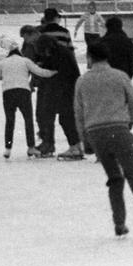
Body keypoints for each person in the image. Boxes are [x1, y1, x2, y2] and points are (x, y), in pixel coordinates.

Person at [75, 39, 133, 241]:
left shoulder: (82, 81)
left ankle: (119, 224)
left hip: (96, 133)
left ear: (89, 58)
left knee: (114, 179)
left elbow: (79, 113)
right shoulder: (120, 76)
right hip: (119, 130)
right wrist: (129, 123)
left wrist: (85, 140)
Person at [0, 31, 52, 159]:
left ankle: (8, 148)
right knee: (28, 120)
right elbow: (39, 72)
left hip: (8, 92)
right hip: (23, 92)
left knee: (10, 121)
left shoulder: (3, 63)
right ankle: (31, 147)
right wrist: (53, 72)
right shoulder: (25, 61)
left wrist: (4, 76)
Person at [33, 15, 83, 159]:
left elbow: (58, 73)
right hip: (67, 87)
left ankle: (75, 147)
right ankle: (72, 146)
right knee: (60, 117)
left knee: (65, 118)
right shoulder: (59, 52)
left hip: (66, 89)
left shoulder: (59, 55)